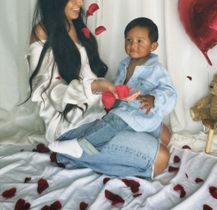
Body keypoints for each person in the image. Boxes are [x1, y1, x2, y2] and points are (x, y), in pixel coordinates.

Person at [49, 15, 177, 177]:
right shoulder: (125, 65)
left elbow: (170, 93)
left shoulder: (157, 70)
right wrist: (111, 101)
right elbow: (117, 88)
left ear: (153, 46)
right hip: (126, 113)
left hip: (143, 116)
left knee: (163, 135)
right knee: (113, 121)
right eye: (129, 40)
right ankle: (85, 147)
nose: (132, 46)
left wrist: (154, 99)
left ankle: (85, 146)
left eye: (139, 41)